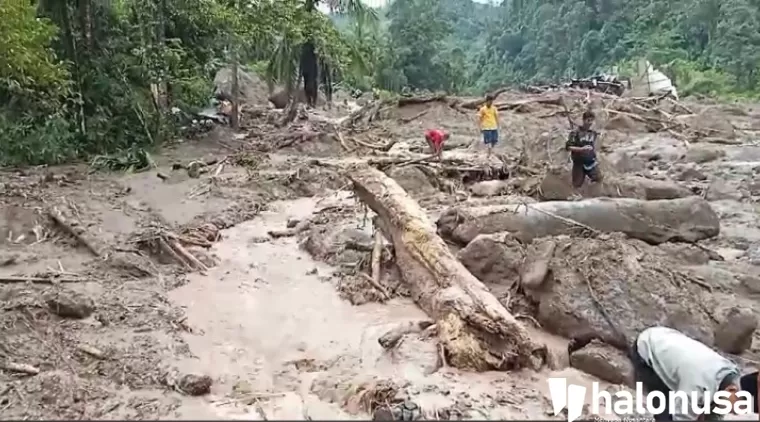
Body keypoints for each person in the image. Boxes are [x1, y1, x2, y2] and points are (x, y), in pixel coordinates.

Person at [630, 326, 745, 421]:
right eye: (734, 408)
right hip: (649, 347)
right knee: (666, 414)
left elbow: (714, 414)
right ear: (731, 390)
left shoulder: (729, 374)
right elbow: (682, 417)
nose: (734, 413)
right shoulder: (698, 385)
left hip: (669, 339)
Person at [565, 109, 603, 196]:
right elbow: (568, 147)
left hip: (591, 162)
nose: (590, 123)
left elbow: (594, 146)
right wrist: (581, 149)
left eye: (591, 120)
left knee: (598, 178)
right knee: (576, 184)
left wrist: (595, 156)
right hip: (579, 162)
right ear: (583, 120)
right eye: (588, 120)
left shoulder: (593, 133)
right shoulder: (575, 133)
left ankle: (592, 195)